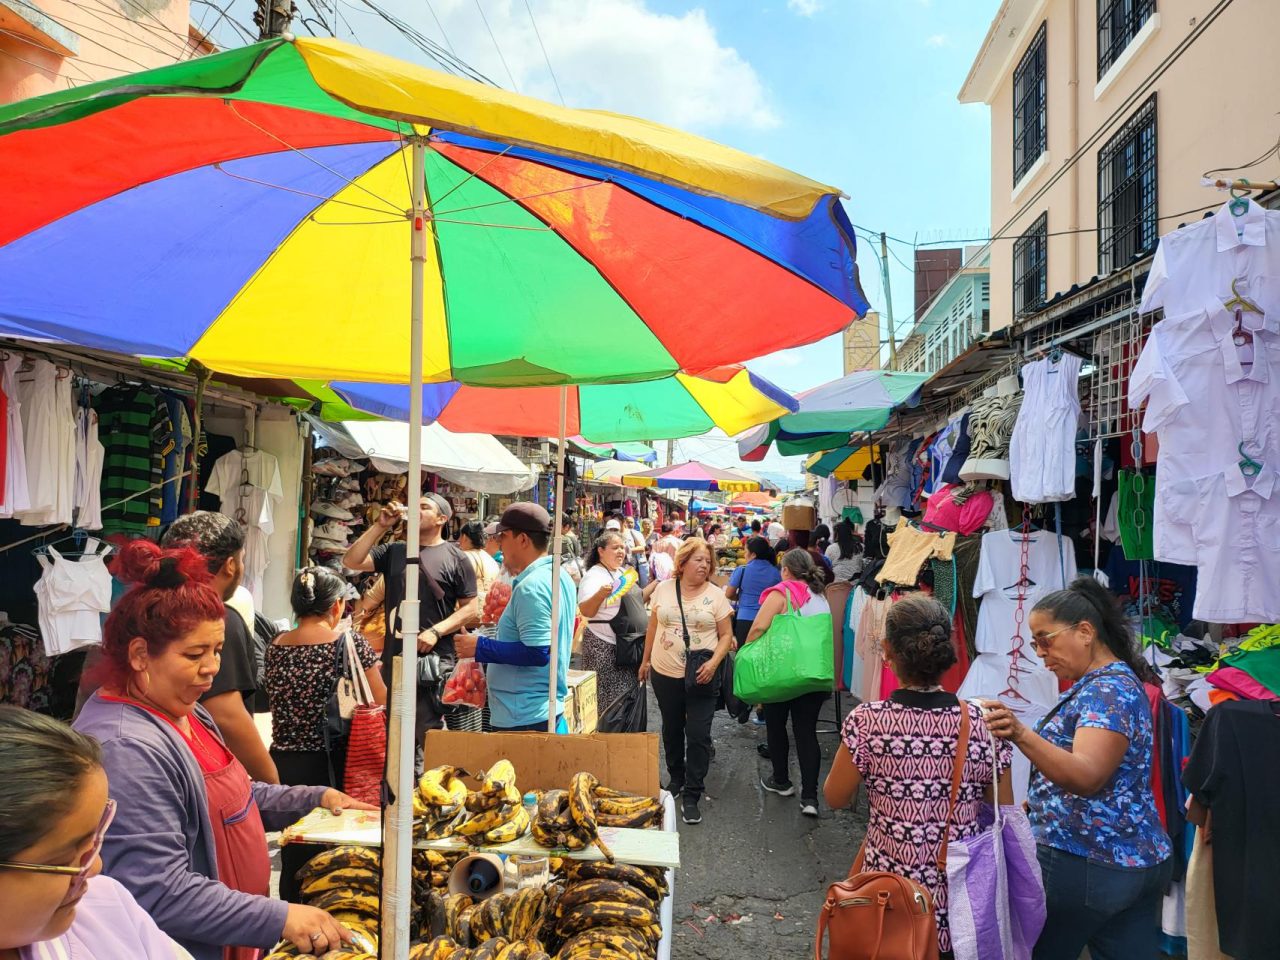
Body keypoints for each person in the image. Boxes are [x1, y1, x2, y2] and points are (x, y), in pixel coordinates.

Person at [73, 540, 374, 960]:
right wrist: (278, 917)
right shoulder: (125, 747)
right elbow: (157, 891)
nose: (213, 668)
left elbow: (236, 797)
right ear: (140, 654)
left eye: (216, 650)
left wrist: (315, 799)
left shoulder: (187, 711)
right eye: (195, 654)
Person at [982, 577, 1172, 960]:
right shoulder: (1111, 683)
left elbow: (1088, 774)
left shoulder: (1107, 691)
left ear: (1085, 631)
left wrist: (1019, 732)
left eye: (1044, 639)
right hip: (1129, 860)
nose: (1039, 652)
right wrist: (1037, 804)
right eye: (1035, 643)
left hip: (1087, 862)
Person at [825, 595, 1014, 959]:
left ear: (887, 651)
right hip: (959, 902)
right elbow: (1001, 809)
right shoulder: (984, 724)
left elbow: (835, 797)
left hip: (887, 896)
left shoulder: (867, 722)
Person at [0, 706, 198, 959]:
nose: (95, 867)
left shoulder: (107, 906)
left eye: (95, 839)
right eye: (63, 861)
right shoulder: (126, 741)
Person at [264, 567, 386, 904]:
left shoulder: (276, 645)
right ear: (335, 606)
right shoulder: (349, 642)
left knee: (296, 847)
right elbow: (379, 698)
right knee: (338, 850)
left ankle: (293, 920)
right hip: (335, 763)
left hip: (286, 763)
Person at [343, 493, 478, 763]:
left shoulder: (457, 558)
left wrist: (437, 631)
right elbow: (352, 561)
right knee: (396, 740)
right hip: (396, 660)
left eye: (424, 507)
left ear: (442, 518)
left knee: (430, 738)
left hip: (433, 665)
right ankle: (399, 800)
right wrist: (381, 525)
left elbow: (472, 608)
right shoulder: (395, 551)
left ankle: (427, 796)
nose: (416, 510)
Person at [161, 511, 278, 783]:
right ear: (229, 565)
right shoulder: (218, 620)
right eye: (242, 559)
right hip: (202, 774)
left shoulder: (147, 608)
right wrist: (273, 784)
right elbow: (227, 715)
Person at [454, 503, 574, 732]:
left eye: (503, 536)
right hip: (535, 710)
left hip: (524, 715)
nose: (499, 544)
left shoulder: (532, 586)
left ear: (523, 540)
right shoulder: (558, 576)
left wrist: (480, 647)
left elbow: (538, 652)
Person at [639, 537, 734, 825]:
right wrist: (645, 661)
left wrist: (713, 662)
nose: (704, 565)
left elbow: (727, 636)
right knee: (671, 727)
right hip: (665, 672)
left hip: (702, 675)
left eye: (708, 561)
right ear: (682, 563)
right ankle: (676, 779)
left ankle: (693, 792)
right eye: (698, 560)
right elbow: (653, 626)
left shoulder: (716, 595)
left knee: (698, 733)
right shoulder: (665, 589)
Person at [743, 549, 832, 816]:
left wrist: (747, 652)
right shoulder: (820, 596)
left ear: (785, 570)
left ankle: (781, 781)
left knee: (776, 725)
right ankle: (810, 799)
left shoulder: (781, 593)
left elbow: (758, 627)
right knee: (806, 733)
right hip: (813, 674)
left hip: (781, 672)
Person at [575, 532, 640, 710]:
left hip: (625, 648)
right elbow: (586, 609)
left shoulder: (621, 572)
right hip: (603, 648)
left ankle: (623, 736)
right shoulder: (594, 575)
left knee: (625, 699)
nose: (621, 551)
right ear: (601, 551)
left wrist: (657, 584)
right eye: (615, 547)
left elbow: (638, 599)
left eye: (622, 547)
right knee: (607, 703)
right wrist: (600, 594)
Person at [724, 537, 780, 649]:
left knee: (743, 655)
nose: (744, 555)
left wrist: (742, 597)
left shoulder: (742, 570)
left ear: (753, 554)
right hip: (769, 620)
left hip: (744, 619)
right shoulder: (777, 573)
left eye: (746, 552)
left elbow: (729, 594)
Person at [458, 520, 501, 612]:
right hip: (490, 613)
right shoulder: (490, 559)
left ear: (464, 537)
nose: (459, 541)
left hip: (469, 615)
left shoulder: (464, 557)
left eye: (460, 537)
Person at [825, 518, 865, 583]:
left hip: (836, 585)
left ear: (837, 534)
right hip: (855, 586)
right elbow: (863, 565)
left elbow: (827, 568)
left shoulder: (831, 548)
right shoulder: (860, 547)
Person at [621, 516, 650, 587]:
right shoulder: (620, 534)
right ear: (624, 523)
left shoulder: (636, 534)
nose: (630, 524)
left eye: (632, 522)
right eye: (628, 522)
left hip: (637, 565)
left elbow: (642, 548)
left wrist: (628, 550)